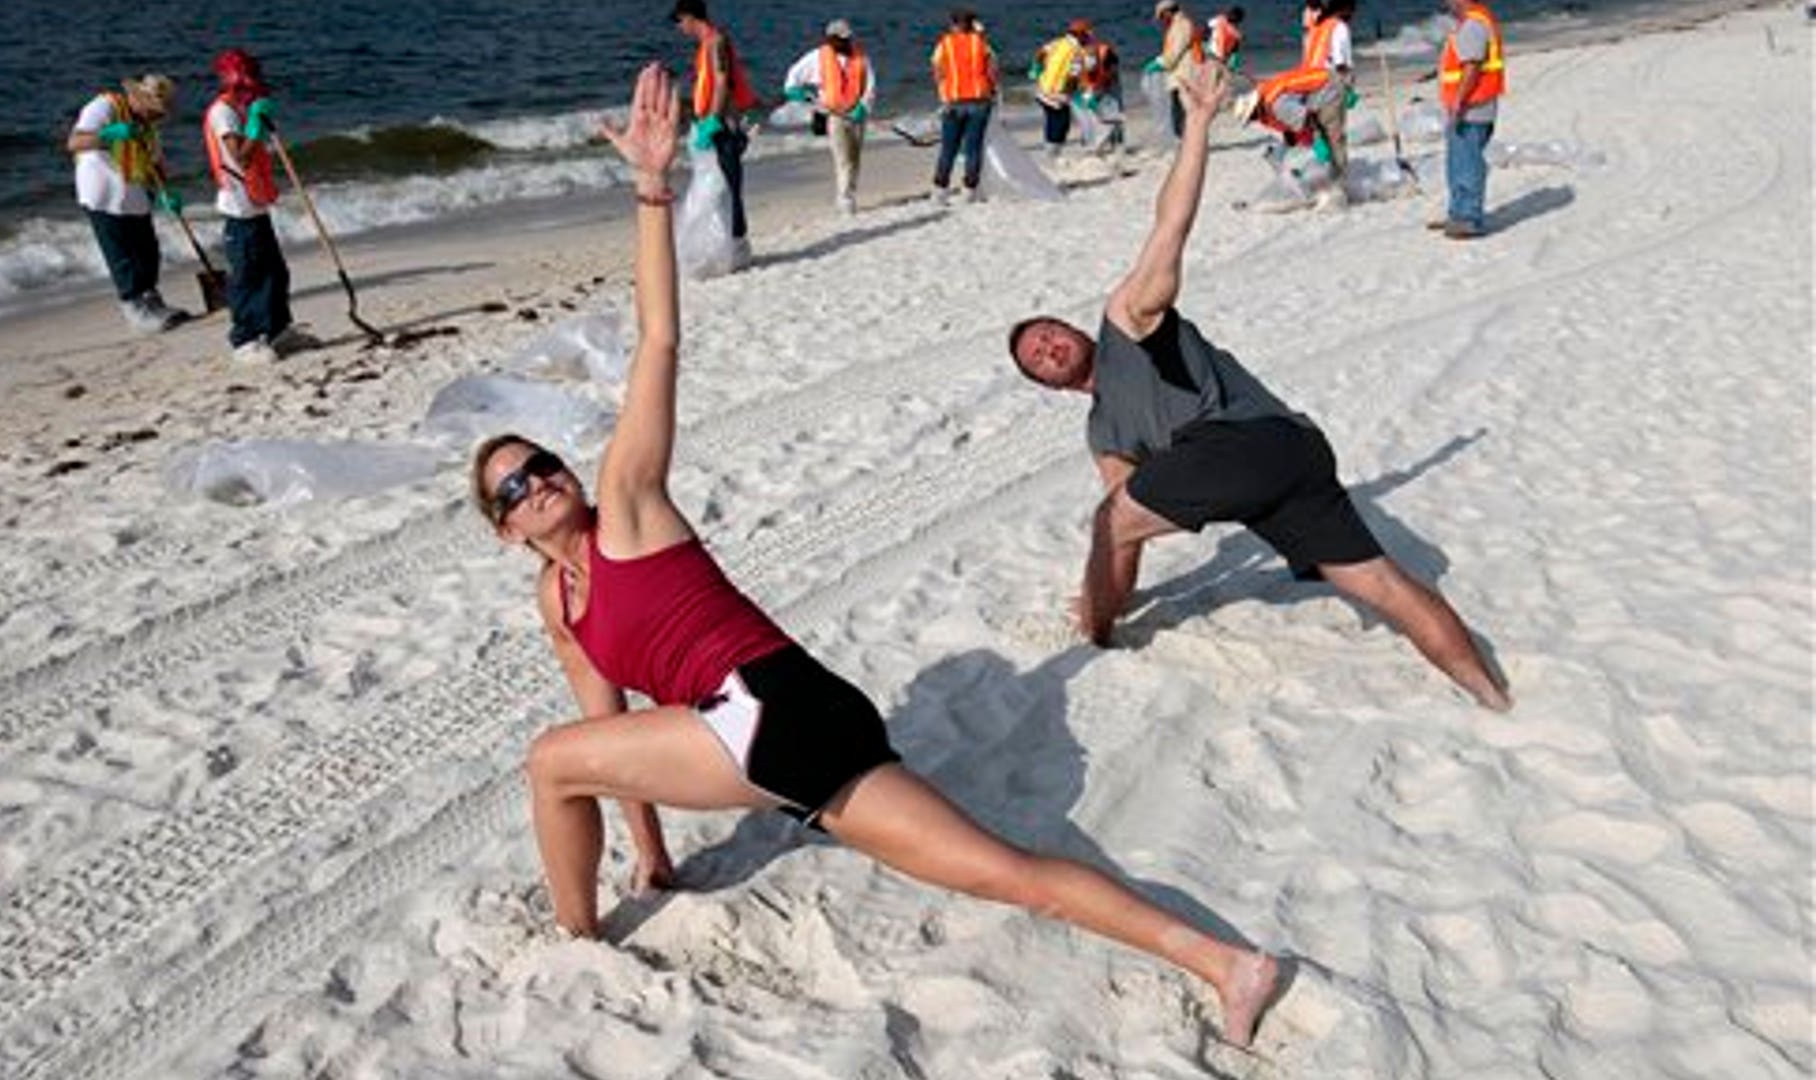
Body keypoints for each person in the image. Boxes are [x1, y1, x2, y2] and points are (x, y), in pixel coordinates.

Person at [476, 62, 1285, 1052]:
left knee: (545, 763)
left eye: (542, 463)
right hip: (809, 727)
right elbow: (612, 735)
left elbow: (658, 344)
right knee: (1007, 871)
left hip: (769, 708)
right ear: (507, 532)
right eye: (513, 490)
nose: (539, 483)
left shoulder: (631, 507)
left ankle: (575, 941)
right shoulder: (563, 606)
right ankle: (1228, 966)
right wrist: (651, 860)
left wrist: (653, 192)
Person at [1006, 60, 1512, 713]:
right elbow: (1123, 529)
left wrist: (1197, 124)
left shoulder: (1127, 320)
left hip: (1249, 443)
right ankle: (1492, 697)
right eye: (1037, 358)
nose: (1048, 346)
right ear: (1048, 384)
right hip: (1290, 465)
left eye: (1048, 333)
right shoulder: (1102, 431)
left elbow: (1171, 227)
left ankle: (1093, 637)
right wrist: (1114, 593)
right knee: (1381, 583)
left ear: (1073, 329)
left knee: (1110, 522)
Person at [67, 74, 190, 334]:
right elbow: (74, 142)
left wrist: (167, 192)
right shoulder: (105, 106)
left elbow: (156, 163)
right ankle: (134, 310)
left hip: (135, 193)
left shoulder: (149, 126)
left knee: (148, 251)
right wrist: (109, 134)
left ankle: (152, 303)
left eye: (161, 112)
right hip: (101, 192)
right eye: (155, 110)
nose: (159, 117)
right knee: (121, 255)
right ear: (139, 99)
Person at [204, 49, 300, 365]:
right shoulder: (223, 113)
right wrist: (256, 124)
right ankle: (244, 340)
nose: (252, 89)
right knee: (248, 275)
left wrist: (258, 119)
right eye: (247, 83)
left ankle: (277, 330)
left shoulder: (243, 109)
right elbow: (240, 157)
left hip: (255, 203)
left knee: (275, 272)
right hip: (238, 207)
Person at [672, 0, 756, 269]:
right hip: (715, 123)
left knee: (727, 187)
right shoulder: (707, 44)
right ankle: (728, 250)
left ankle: (736, 251)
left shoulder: (716, 41)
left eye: (679, 21)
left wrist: (713, 121)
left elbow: (721, 82)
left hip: (723, 126)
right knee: (717, 188)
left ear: (689, 17)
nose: (679, 27)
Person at [1234, 0, 1355, 185]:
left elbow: (1304, 120)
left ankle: (1341, 183)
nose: (1305, 16)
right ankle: (1337, 178)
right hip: (1318, 85)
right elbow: (1336, 62)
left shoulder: (1324, 29)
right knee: (1332, 138)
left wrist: (1345, 88)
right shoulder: (1327, 28)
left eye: (1308, 10)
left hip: (1324, 85)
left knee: (1332, 138)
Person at [783, 19, 875, 216]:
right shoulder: (817, 57)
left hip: (857, 116)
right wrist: (796, 93)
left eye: (848, 38)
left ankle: (849, 192)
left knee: (855, 158)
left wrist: (863, 106)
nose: (846, 42)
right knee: (842, 159)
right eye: (842, 39)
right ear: (831, 39)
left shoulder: (861, 56)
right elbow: (793, 78)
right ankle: (844, 199)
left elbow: (870, 85)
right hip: (834, 117)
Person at [1433, 0, 1506, 239]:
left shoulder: (1473, 24)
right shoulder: (1476, 20)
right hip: (1473, 105)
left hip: (1472, 107)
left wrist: (1459, 101)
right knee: (1458, 161)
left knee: (1466, 162)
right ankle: (1458, 213)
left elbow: (1472, 67)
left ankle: (1467, 218)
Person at [929, 8, 999, 205]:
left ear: (953, 24)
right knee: (973, 148)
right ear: (972, 24)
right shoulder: (981, 43)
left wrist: (943, 93)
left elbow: (937, 72)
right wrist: (992, 91)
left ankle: (940, 191)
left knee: (948, 149)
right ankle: (969, 190)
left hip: (953, 101)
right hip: (979, 101)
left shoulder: (945, 44)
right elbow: (993, 70)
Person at [1031, 20, 1090, 157]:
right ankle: (1052, 154)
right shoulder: (1078, 52)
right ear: (1080, 35)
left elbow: (1040, 53)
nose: (1088, 38)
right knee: (1061, 124)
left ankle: (1049, 150)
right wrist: (1072, 94)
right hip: (1057, 95)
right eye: (1086, 35)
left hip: (1042, 90)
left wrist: (1036, 69)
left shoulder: (1057, 43)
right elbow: (1073, 77)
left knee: (1052, 120)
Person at [1149, 1, 1204, 139]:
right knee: (1179, 116)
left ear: (1168, 12)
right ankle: (1189, 144)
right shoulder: (1177, 25)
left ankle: (1191, 145)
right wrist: (1158, 61)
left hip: (1185, 76)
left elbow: (1174, 52)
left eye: (1162, 16)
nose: (1161, 21)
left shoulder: (1182, 25)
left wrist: (1159, 63)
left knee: (1182, 116)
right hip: (1180, 76)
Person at [1074, 21, 1126, 153]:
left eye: (1079, 34)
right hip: (1092, 87)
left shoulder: (1105, 51)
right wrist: (1083, 92)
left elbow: (1112, 71)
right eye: (1075, 34)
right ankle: (1092, 144)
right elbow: (1076, 75)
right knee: (1089, 116)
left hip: (1109, 85)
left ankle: (1118, 145)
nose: (1077, 37)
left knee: (1113, 114)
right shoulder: (1077, 53)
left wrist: (1102, 86)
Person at [1207, 6, 1246, 72]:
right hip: (1221, 55)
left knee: (1215, 33)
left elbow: (1208, 25)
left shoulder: (1219, 19)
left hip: (1211, 49)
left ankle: (1230, 62)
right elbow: (1241, 37)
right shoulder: (1232, 29)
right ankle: (1233, 65)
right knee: (1236, 43)